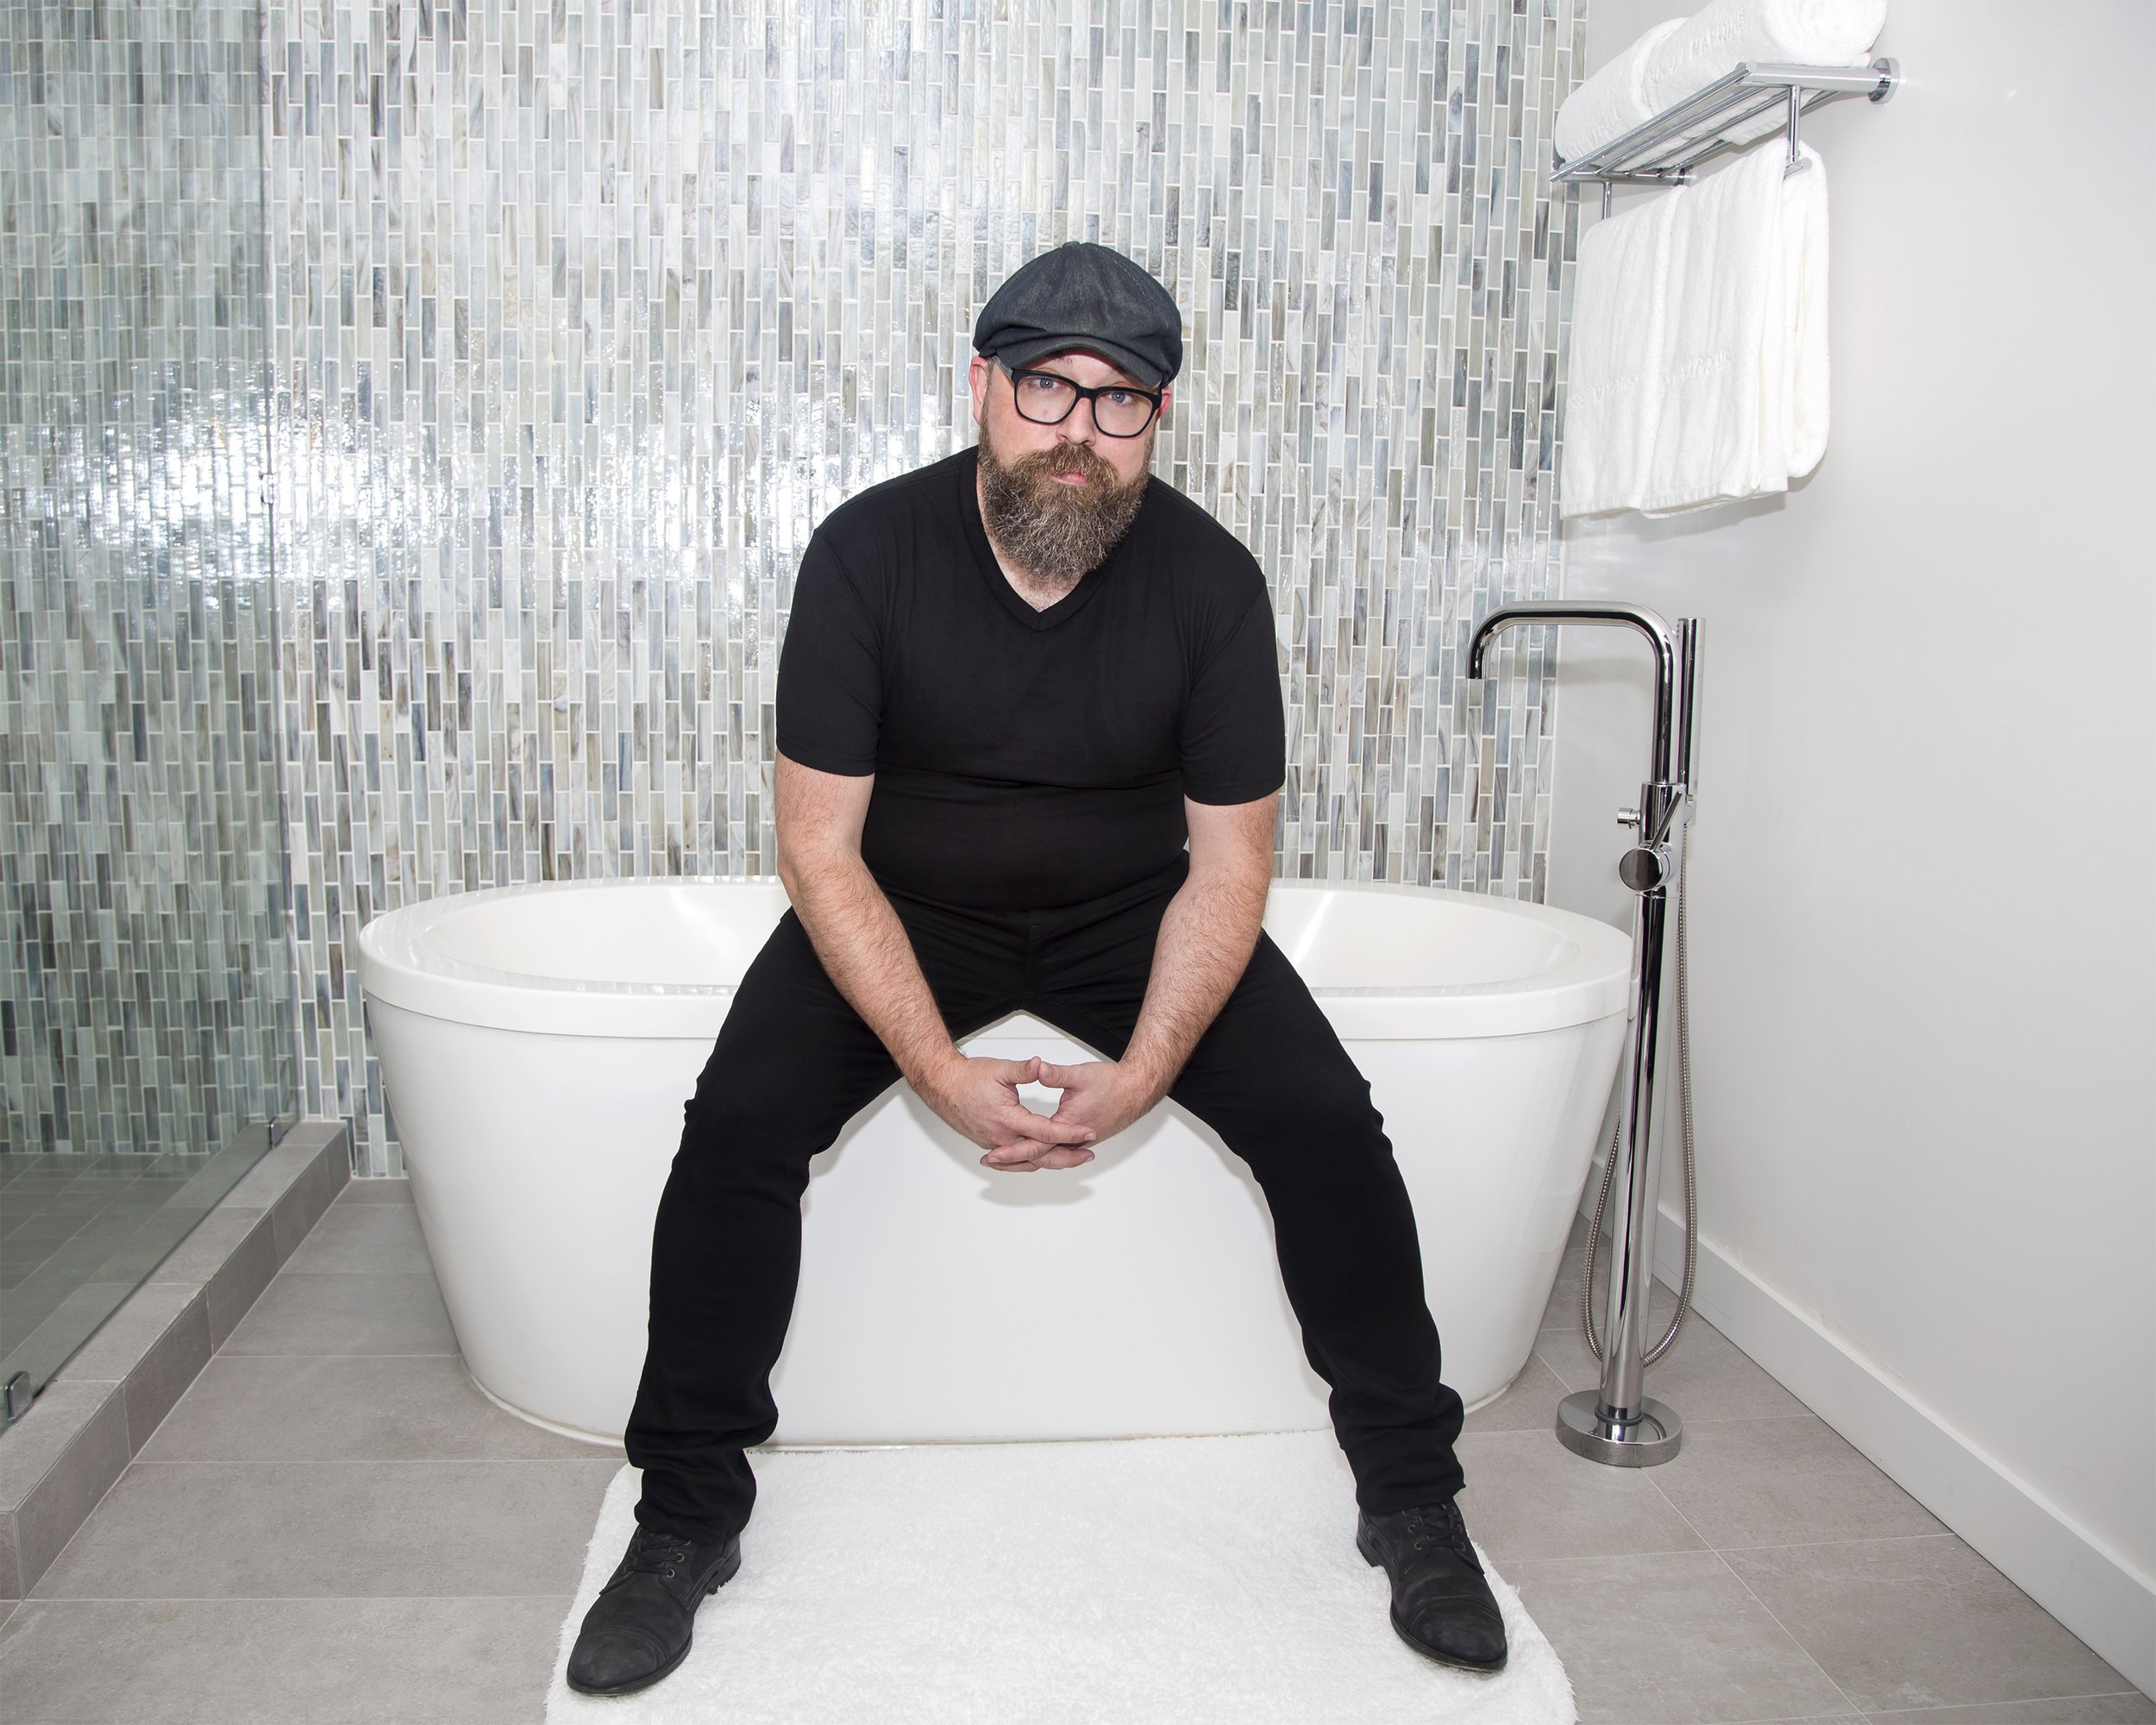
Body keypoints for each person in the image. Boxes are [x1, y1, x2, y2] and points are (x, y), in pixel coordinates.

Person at [566, 242, 1507, 1697]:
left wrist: (1145, 1075)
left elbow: (1230, 868)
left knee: (1327, 1125)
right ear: (982, 388)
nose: (1078, 426)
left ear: (1158, 421)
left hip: (1135, 911)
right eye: (1047, 386)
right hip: (903, 902)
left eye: (1119, 398)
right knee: (742, 1124)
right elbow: (820, 851)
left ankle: (1413, 1499)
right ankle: (687, 1516)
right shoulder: (868, 553)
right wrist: (937, 1068)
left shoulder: (1211, 584)